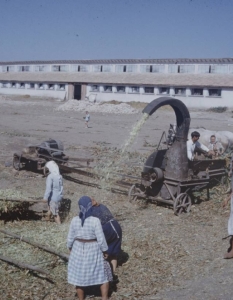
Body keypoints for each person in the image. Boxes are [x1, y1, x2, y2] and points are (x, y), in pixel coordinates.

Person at [67, 196, 112, 300]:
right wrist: (105, 250)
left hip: (78, 248)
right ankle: (104, 298)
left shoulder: (74, 220)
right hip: (93, 249)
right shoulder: (95, 221)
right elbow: (101, 239)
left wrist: (70, 247)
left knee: (79, 276)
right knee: (102, 273)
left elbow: (70, 237)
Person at [91, 198, 122, 274]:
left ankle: (100, 271)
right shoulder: (102, 206)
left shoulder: (91, 211)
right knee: (113, 251)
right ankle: (113, 272)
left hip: (106, 228)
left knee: (99, 249)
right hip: (116, 226)